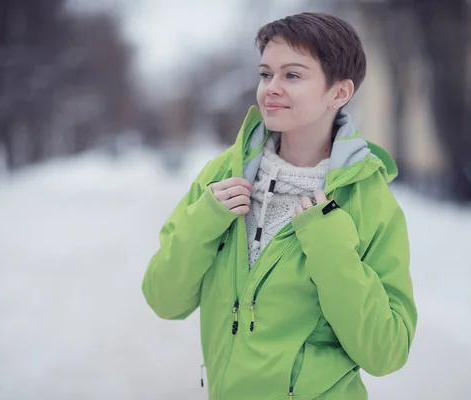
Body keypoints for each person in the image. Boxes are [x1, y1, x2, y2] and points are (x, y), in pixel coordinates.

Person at [142, 12, 417, 399]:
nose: (270, 88)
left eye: (292, 75)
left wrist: (330, 246)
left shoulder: (366, 200)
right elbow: (163, 298)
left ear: (338, 93)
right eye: (265, 73)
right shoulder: (223, 174)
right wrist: (204, 221)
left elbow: (385, 351)